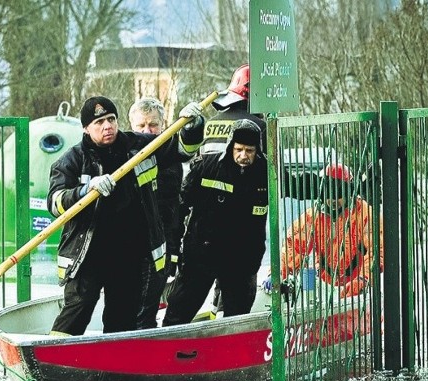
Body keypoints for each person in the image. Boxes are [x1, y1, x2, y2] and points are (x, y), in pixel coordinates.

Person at [47, 95, 204, 336]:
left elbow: (183, 150)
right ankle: (51, 362)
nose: (107, 126)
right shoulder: (71, 160)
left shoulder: (140, 146)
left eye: (111, 119)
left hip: (128, 254)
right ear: (86, 129)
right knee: (78, 309)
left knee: (122, 318)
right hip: (88, 253)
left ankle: (114, 367)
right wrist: (84, 191)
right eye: (99, 122)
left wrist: (193, 127)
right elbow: (55, 203)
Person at [162, 119, 268, 326]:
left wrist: (327, 184)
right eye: (238, 149)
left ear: (258, 150)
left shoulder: (267, 173)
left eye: (249, 150)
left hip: (242, 261)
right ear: (230, 147)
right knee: (179, 311)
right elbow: (180, 206)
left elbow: (295, 184)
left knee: (236, 320)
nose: (243, 156)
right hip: (201, 254)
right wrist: (173, 247)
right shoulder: (207, 166)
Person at [201, 63, 268, 315]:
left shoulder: (211, 123)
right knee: (240, 291)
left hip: (208, 217)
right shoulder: (259, 128)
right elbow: (270, 173)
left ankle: (216, 312)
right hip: (244, 219)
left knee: (217, 278)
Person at [279, 163, 384, 298]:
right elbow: (293, 246)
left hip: (357, 289)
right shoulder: (313, 216)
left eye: (339, 194)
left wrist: (363, 279)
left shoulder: (364, 214)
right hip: (323, 288)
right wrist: (277, 275)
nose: (333, 200)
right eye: (329, 194)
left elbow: (378, 250)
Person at [128, 97, 184, 329]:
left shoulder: (171, 159)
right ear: (132, 126)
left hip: (160, 244)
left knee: (147, 308)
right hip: (129, 244)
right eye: (141, 126)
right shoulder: (123, 155)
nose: (147, 131)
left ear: (163, 125)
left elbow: (173, 211)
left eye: (153, 125)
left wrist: (172, 251)